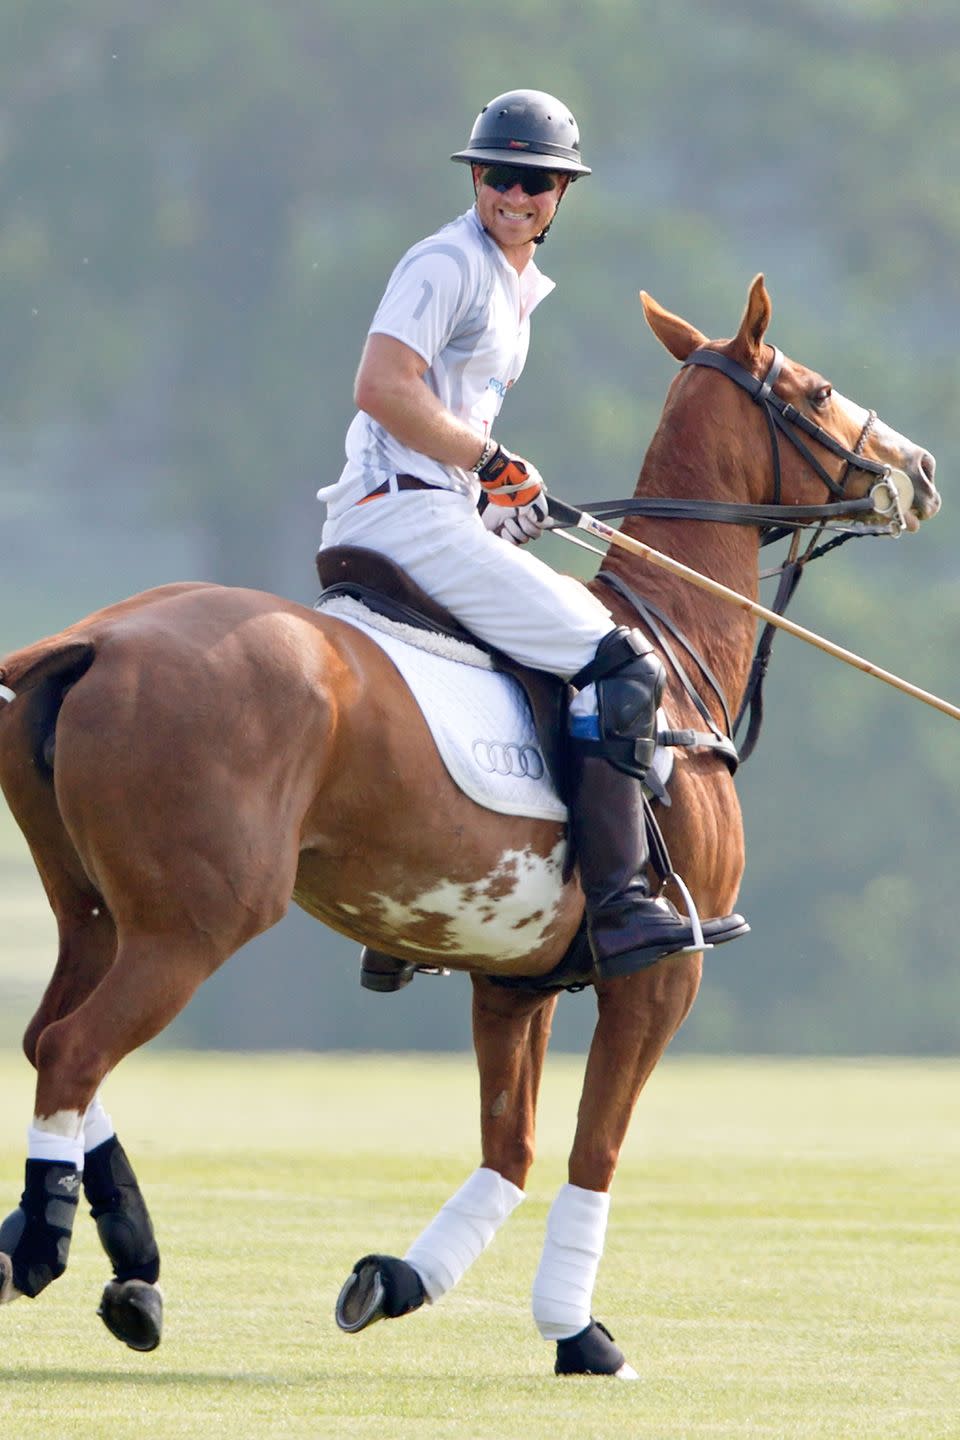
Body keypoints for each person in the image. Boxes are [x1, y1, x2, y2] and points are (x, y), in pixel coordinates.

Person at [317, 89, 744, 988]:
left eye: (539, 182)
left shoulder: (516, 284)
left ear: (562, 196)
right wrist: (492, 459)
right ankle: (623, 900)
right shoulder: (448, 263)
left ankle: (409, 895)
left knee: (486, 676)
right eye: (501, 176)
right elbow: (383, 387)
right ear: (477, 176)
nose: (517, 195)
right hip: (405, 517)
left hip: (425, 511)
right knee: (623, 662)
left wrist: (491, 499)